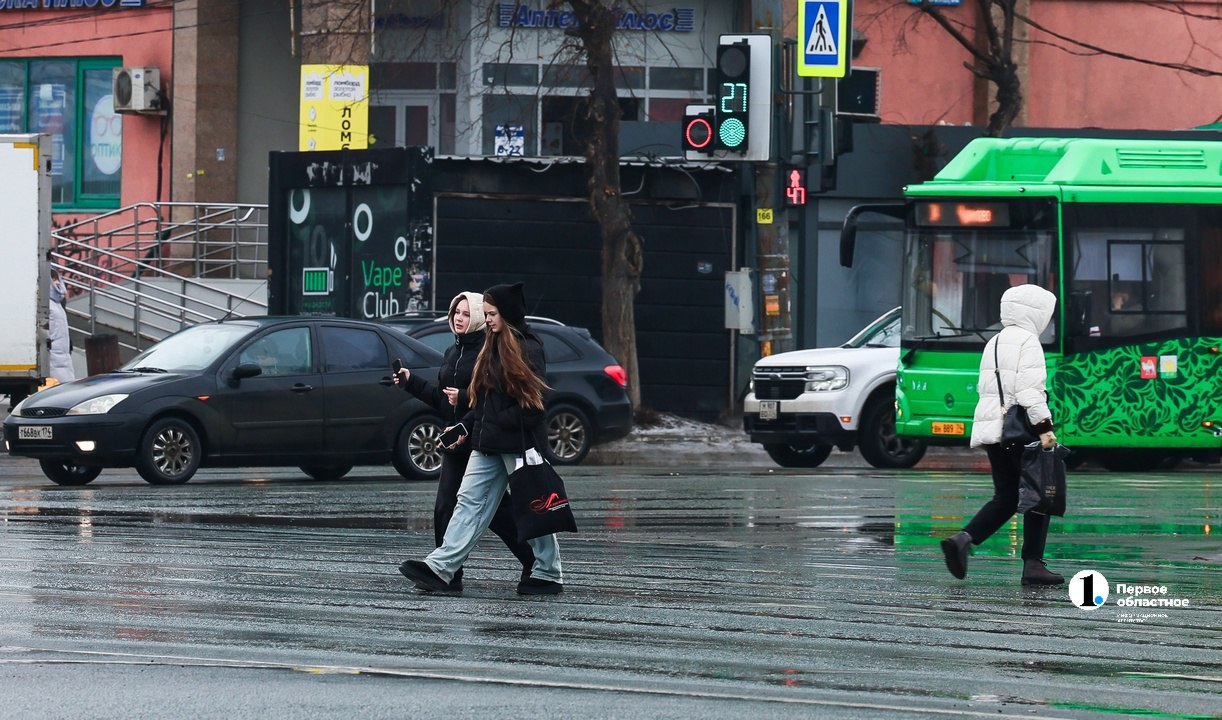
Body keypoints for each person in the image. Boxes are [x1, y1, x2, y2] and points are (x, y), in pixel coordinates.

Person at [398, 282, 563, 596]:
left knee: (534, 506)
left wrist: (498, 419)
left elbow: (534, 404)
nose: (487, 319)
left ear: (508, 313)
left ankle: (548, 572)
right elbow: (484, 400)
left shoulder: (527, 347)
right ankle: (442, 568)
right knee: (468, 502)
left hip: (519, 442)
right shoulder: (494, 345)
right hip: (488, 440)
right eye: (485, 314)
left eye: (492, 313)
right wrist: (467, 426)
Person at [941, 284, 1064, 586]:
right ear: (1036, 312)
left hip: (995, 432)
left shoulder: (994, 341)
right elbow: (1028, 391)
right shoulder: (1028, 342)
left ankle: (963, 539)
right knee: (1038, 496)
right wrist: (1045, 428)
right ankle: (1033, 565)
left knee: (1007, 496)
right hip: (1021, 433)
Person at [48, 263, 76, 385]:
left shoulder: (57, 304)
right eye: (53, 279)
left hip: (62, 360)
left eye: (57, 278)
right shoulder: (47, 304)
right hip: (55, 361)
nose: (57, 282)